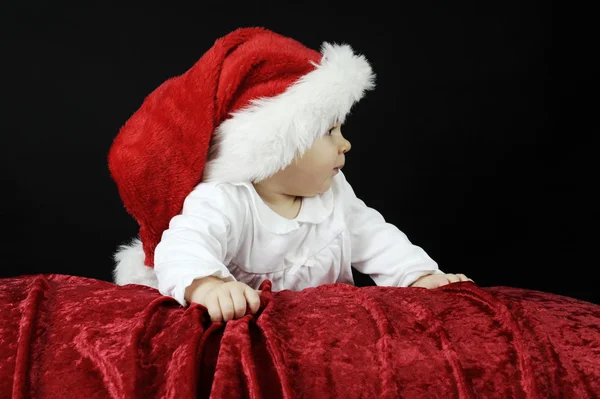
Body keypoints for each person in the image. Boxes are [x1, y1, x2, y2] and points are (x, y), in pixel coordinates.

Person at [108, 27, 473, 322]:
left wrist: (419, 276)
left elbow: (376, 238)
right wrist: (208, 287)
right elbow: (184, 245)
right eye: (329, 132)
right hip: (248, 338)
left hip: (316, 334)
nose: (345, 145)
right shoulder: (225, 199)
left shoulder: (334, 195)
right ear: (277, 148)